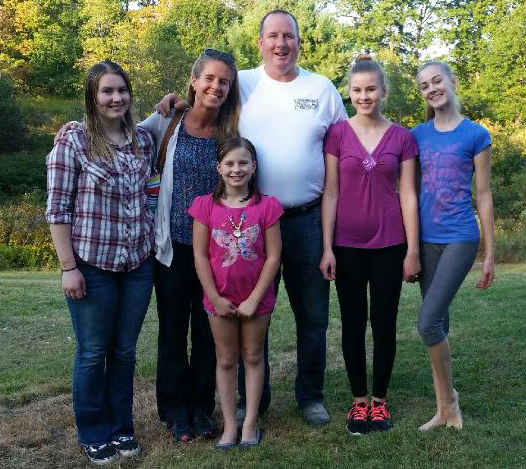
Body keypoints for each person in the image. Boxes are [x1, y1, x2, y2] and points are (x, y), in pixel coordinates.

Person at [159, 8, 347, 426]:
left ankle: (310, 395)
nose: (282, 44)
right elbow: (203, 92)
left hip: (304, 221)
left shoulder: (322, 89)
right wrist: (172, 102)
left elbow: (344, 148)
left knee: (313, 314)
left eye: (289, 36)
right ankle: (250, 401)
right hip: (242, 222)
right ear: (260, 42)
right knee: (244, 309)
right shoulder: (241, 82)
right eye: (273, 36)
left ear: (299, 41)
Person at [46, 61, 155, 465]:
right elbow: (57, 210)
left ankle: (121, 428)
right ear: (93, 97)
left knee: (124, 352)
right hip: (91, 265)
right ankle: (93, 432)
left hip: (137, 265)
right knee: (93, 351)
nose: (116, 98)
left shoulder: (142, 139)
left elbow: (166, 117)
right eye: (107, 91)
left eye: (122, 90)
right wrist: (67, 267)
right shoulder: (73, 142)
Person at [139, 49, 240, 442]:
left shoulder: (230, 132)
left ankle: (201, 407)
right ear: (194, 81)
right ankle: (174, 409)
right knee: (173, 328)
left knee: (208, 331)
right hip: (172, 248)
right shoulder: (166, 121)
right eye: (210, 79)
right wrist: (75, 128)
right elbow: (119, 129)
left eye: (224, 82)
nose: (216, 87)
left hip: (215, 253)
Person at [320, 56, 420, 435]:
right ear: (349, 92)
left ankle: (379, 402)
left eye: (371, 89)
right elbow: (330, 193)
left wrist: (411, 250)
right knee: (352, 323)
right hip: (346, 246)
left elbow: (408, 196)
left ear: (383, 91)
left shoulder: (402, 138)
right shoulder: (337, 135)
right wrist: (327, 247)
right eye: (358, 90)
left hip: (390, 244)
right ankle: (358, 402)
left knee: (384, 323)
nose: (365, 96)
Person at [413, 61, 494, 430]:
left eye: (437, 81)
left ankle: (450, 402)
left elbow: (484, 195)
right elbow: (408, 193)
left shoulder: (476, 135)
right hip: (426, 240)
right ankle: (444, 408)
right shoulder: (416, 136)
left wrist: (490, 253)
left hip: (461, 236)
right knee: (439, 321)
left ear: (452, 82)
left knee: (427, 323)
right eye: (424, 85)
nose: (432, 88)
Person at [189, 137, 282, 449]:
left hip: (257, 298)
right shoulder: (205, 206)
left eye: (243, 162)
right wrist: (214, 297)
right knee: (227, 358)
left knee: (253, 356)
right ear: (218, 168)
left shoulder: (267, 206)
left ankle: (251, 423)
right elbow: (200, 255)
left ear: (253, 167)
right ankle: (230, 424)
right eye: (229, 163)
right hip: (220, 299)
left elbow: (273, 256)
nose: (236, 169)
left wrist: (255, 297)